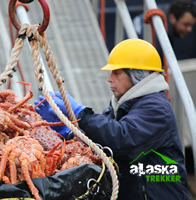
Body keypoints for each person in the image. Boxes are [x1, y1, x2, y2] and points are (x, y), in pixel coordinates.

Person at [34, 39, 190, 199]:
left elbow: (123, 140)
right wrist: (68, 132)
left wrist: (81, 114)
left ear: (138, 74)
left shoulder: (157, 109)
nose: (109, 79)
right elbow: (103, 145)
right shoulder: (120, 106)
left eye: (116, 72)